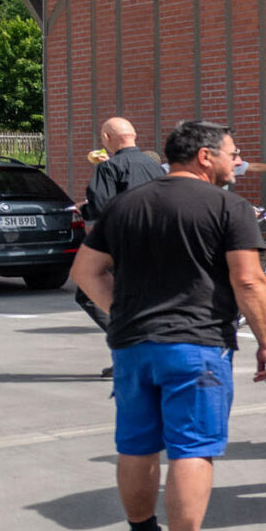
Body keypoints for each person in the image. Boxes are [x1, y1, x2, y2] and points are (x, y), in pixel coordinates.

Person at [66, 120, 266, 531]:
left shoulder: (125, 204)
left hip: (132, 345)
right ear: (204, 156)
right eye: (231, 153)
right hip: (195, 344)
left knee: (136, 444)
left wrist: (122, 312)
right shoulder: (229, 206)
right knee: (192, 448)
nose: (236, 162)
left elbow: (85, 270)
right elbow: (248, 280)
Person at [76, 117, 170, 366]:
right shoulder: (155, 167)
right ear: (134, 136)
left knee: (89, 294)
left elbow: (101, 208)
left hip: (123, 244)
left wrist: (83, 209)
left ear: (106, 138)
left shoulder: (108, 168)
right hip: (157, 242)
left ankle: (132, 348)